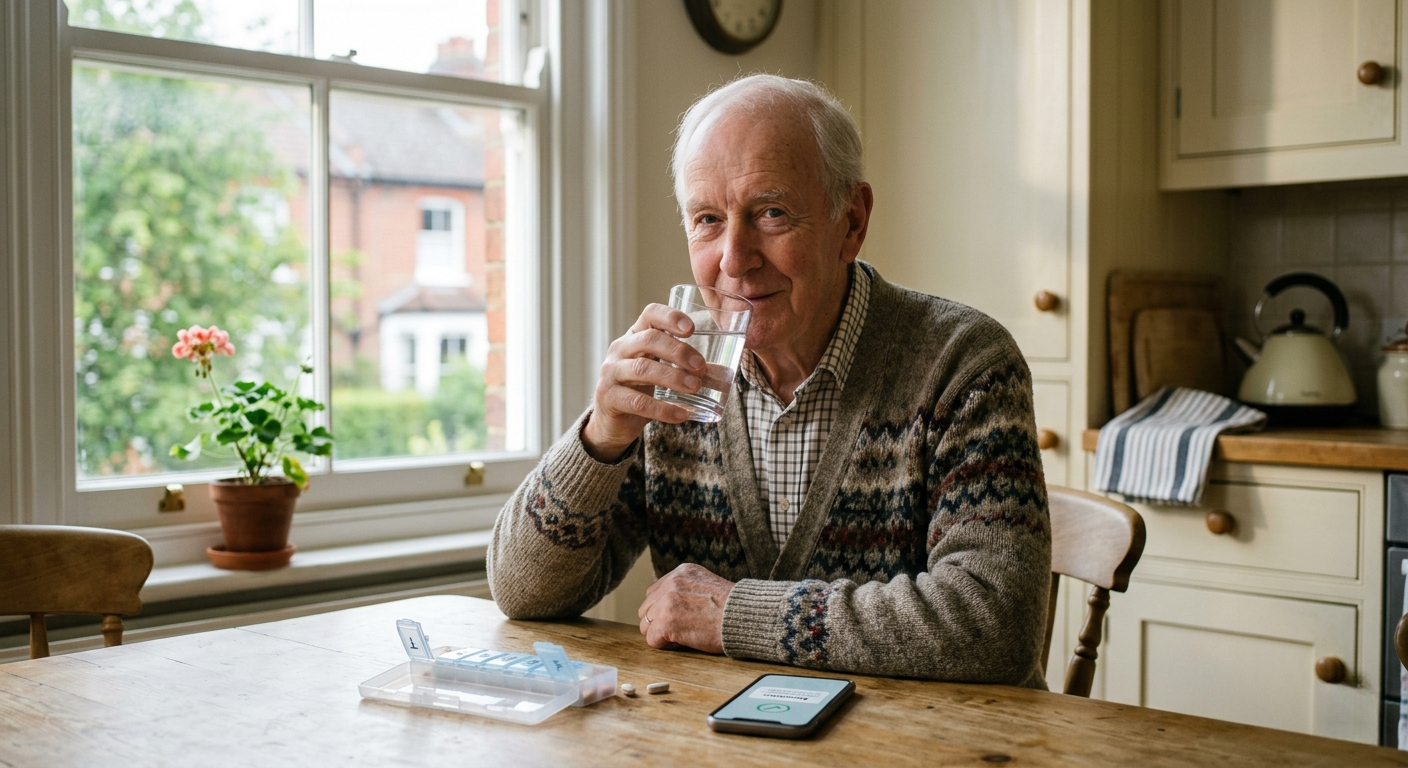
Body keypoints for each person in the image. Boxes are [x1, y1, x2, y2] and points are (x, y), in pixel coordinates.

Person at [488, 74, 1051, 688]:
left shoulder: (962, 362)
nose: (734, 258)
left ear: (852, 222)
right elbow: (525, 593)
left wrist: (735, 614)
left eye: (772, 213)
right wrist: (600, 440)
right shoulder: (679, 377)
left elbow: (995, 625)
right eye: (707, 219)